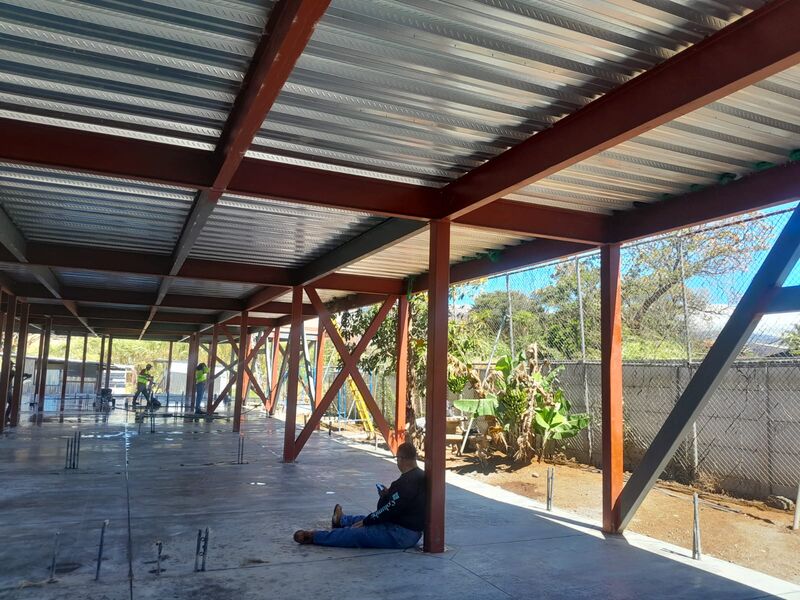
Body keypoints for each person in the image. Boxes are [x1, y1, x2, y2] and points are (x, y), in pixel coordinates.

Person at [293, 442, 425, 549]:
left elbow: (386, 509)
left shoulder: (404, 483)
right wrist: (388, 496)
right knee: (364, 520)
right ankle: (341, 520)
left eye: (397, 459)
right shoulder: (420, 476)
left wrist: (383, 498)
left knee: (357, 533)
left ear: (401, 459)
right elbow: (398, 504)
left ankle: (314, 537)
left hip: (400, 534)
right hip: (408, 529)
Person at [4, 362, 31, 426]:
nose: (12, 366)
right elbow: (18, 374)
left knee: (11, 403)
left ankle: (5, 417)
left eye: (12, 365)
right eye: (11, 365)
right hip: (6, 391)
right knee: (10, 403)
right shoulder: (9, 371)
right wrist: (26, 375)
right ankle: (5, 417)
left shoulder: (6, 371)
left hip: (8, 390)